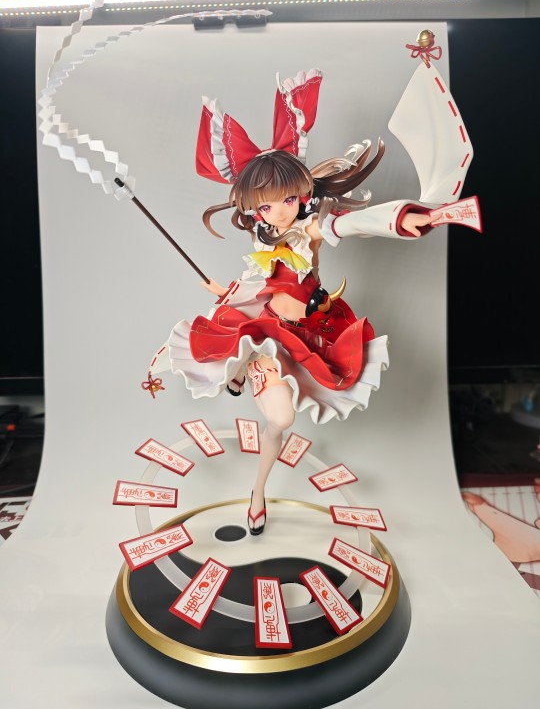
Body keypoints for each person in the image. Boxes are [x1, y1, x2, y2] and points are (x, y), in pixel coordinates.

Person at [146, 66, 474, 535]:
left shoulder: (309, 230)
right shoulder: (263, 239)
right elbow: (262, 283)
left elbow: (350, 224)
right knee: (280, 417)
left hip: (309, 329)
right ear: (252, 209)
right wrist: (228, 292)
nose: (277, 212)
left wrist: (402, 219)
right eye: (264, 206)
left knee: (279, 423)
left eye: (286, 200)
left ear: (301, 195)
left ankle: (257, 490)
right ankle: (247, 385)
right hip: (267, 333)